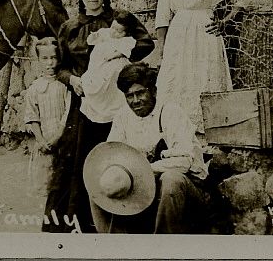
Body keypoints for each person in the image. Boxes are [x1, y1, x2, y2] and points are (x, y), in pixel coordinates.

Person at [43, 0, 154, 233]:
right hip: (83, 103)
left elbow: (145, 43)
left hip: (116, 104)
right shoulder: (69, 28)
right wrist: (73, 80)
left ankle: (119, 219)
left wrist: (119, 61)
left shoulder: (120, 21)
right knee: (75, 161)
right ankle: (75, 223)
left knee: (116, 157)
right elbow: (59, 67)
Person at [85, 63, 208, 234]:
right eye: (129, 96)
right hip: (143, 191)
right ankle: (114, 246)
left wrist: (143, 170)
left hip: (188, 192)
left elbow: (184, 162)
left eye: (140, 93)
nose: (135, 101)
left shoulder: (170, 112)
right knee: (102, 185)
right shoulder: (122, 117)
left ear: (153, 91)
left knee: (171, 179)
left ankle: (162, 247)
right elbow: (112, 155)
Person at [155, 0, 247, 140]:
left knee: (205, 79)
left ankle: (209, 137)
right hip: (178, 38)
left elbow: (241, 0)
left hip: (205, 35)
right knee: (177, 81)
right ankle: (176, 136)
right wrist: (162, 48)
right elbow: (162, 19)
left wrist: (224, 22)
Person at [23, 37, 71, 197]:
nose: (49, 63)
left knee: (64, 186)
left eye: (53, 58)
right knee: (46, 188)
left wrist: (58, 136)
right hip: (44, 144)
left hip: (63, 142)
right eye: (45, 58)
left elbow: (68, 112)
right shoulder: (34, 89)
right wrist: (41, 140)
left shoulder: (65, 86)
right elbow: (32, 116)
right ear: (38, 60)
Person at [79, 11, 137, 125]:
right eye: (113, 28)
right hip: (98, 64)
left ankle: (108, 108)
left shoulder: (126, 41)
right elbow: (90, 41)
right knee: (93, 82)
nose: (114, 32)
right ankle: (95, 99)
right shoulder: (105, 33)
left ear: (126, 33)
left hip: (112, 65)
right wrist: (94, 36)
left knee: (112, 85)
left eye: (118, 31)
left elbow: (124, 52)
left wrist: (112, 56)